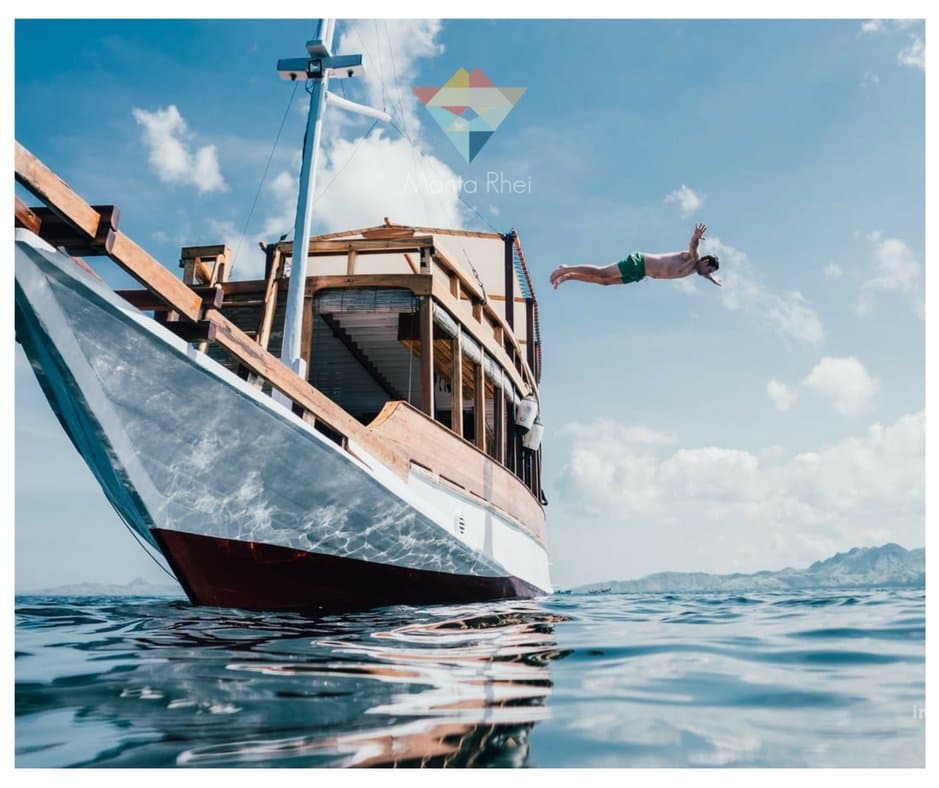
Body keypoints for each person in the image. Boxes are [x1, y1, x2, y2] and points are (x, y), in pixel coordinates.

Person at [549, 223, 722, 289]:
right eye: (709, 268)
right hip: (639, 262)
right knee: (602, 273)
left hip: (641, 273)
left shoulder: (698, 271)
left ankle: (569, 277)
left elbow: (705, 274)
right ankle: (566, 268)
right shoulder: (692, 258)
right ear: (704, 261)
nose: (708, 272)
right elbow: (693, 246)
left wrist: (713, 279)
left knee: (605, 282)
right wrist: (695, 236)